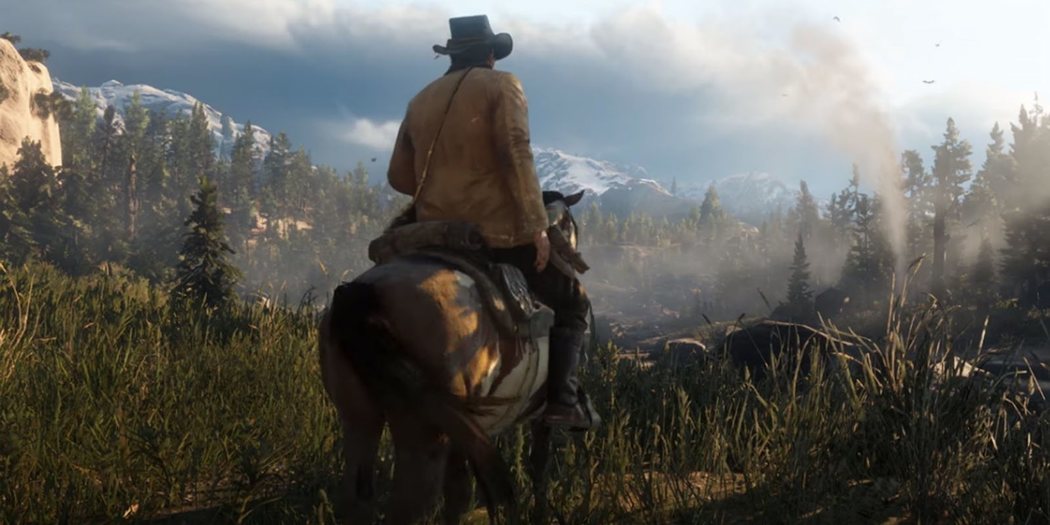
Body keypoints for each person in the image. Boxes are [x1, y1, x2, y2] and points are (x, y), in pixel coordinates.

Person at [386, 14, 593, 430]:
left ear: (452, 55)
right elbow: (515, 152)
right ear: (490, 55)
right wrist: (536, 227)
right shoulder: (503, 85)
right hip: (495, 235)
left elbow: (399, 177)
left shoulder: (420, 100)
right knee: (573, 302)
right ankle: (562, 403)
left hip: (432, 235)